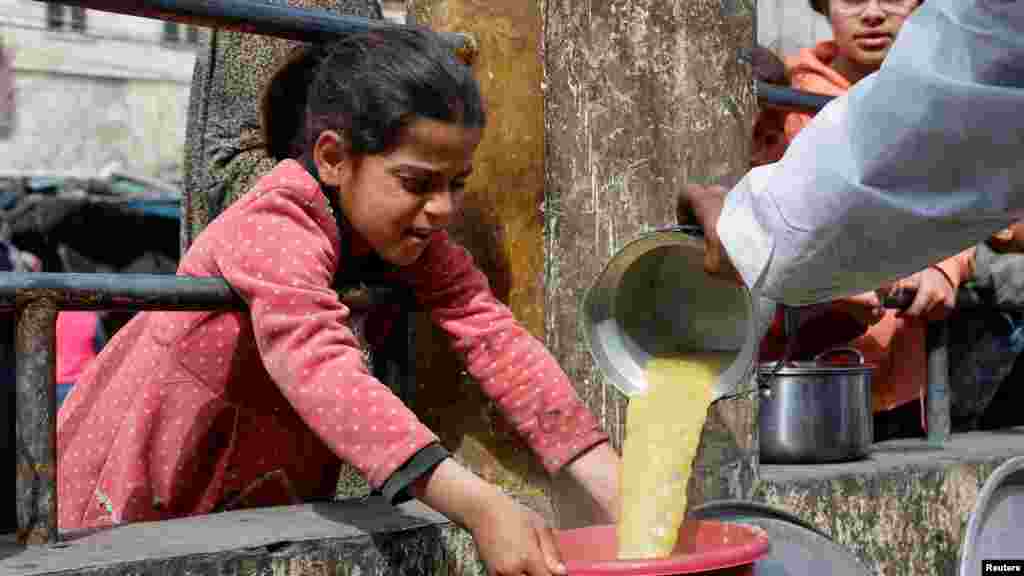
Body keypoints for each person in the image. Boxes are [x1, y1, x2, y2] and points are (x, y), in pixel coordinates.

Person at [58, 28, 620, 576]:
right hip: (148, 481)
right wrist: (479, 504)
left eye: (457, 184)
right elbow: (322, 366)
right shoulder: (274, 224)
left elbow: (491, 333)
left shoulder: (407, 239)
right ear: (333, 158)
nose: (444, 208)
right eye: (417, 182)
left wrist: (597, 467)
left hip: (256, 491)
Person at [679, 0, 1024, 310]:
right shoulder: (792, 96)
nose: (873, 13)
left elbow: (942, 165)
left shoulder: (950, 87)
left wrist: (945, 266)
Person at [749, 0, 976, 439]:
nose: (872, 13)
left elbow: (967, 195)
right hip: (802, 374)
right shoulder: (785, 100)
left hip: (905, 374)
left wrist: (942, 267)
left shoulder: (948, 95)